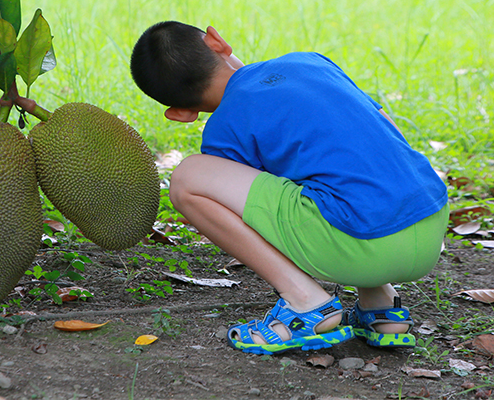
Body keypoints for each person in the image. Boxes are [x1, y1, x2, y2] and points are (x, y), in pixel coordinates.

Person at [129, 21, 449, 355]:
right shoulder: (310, 62)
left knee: (188, 179)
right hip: (431, 223)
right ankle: (381, 304)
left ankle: (306, 302)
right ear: (217, 41)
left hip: (362, 248)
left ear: (179, 114)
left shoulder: (225, 130)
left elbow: (260, 213)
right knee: (342, 166)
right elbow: (385, 131)